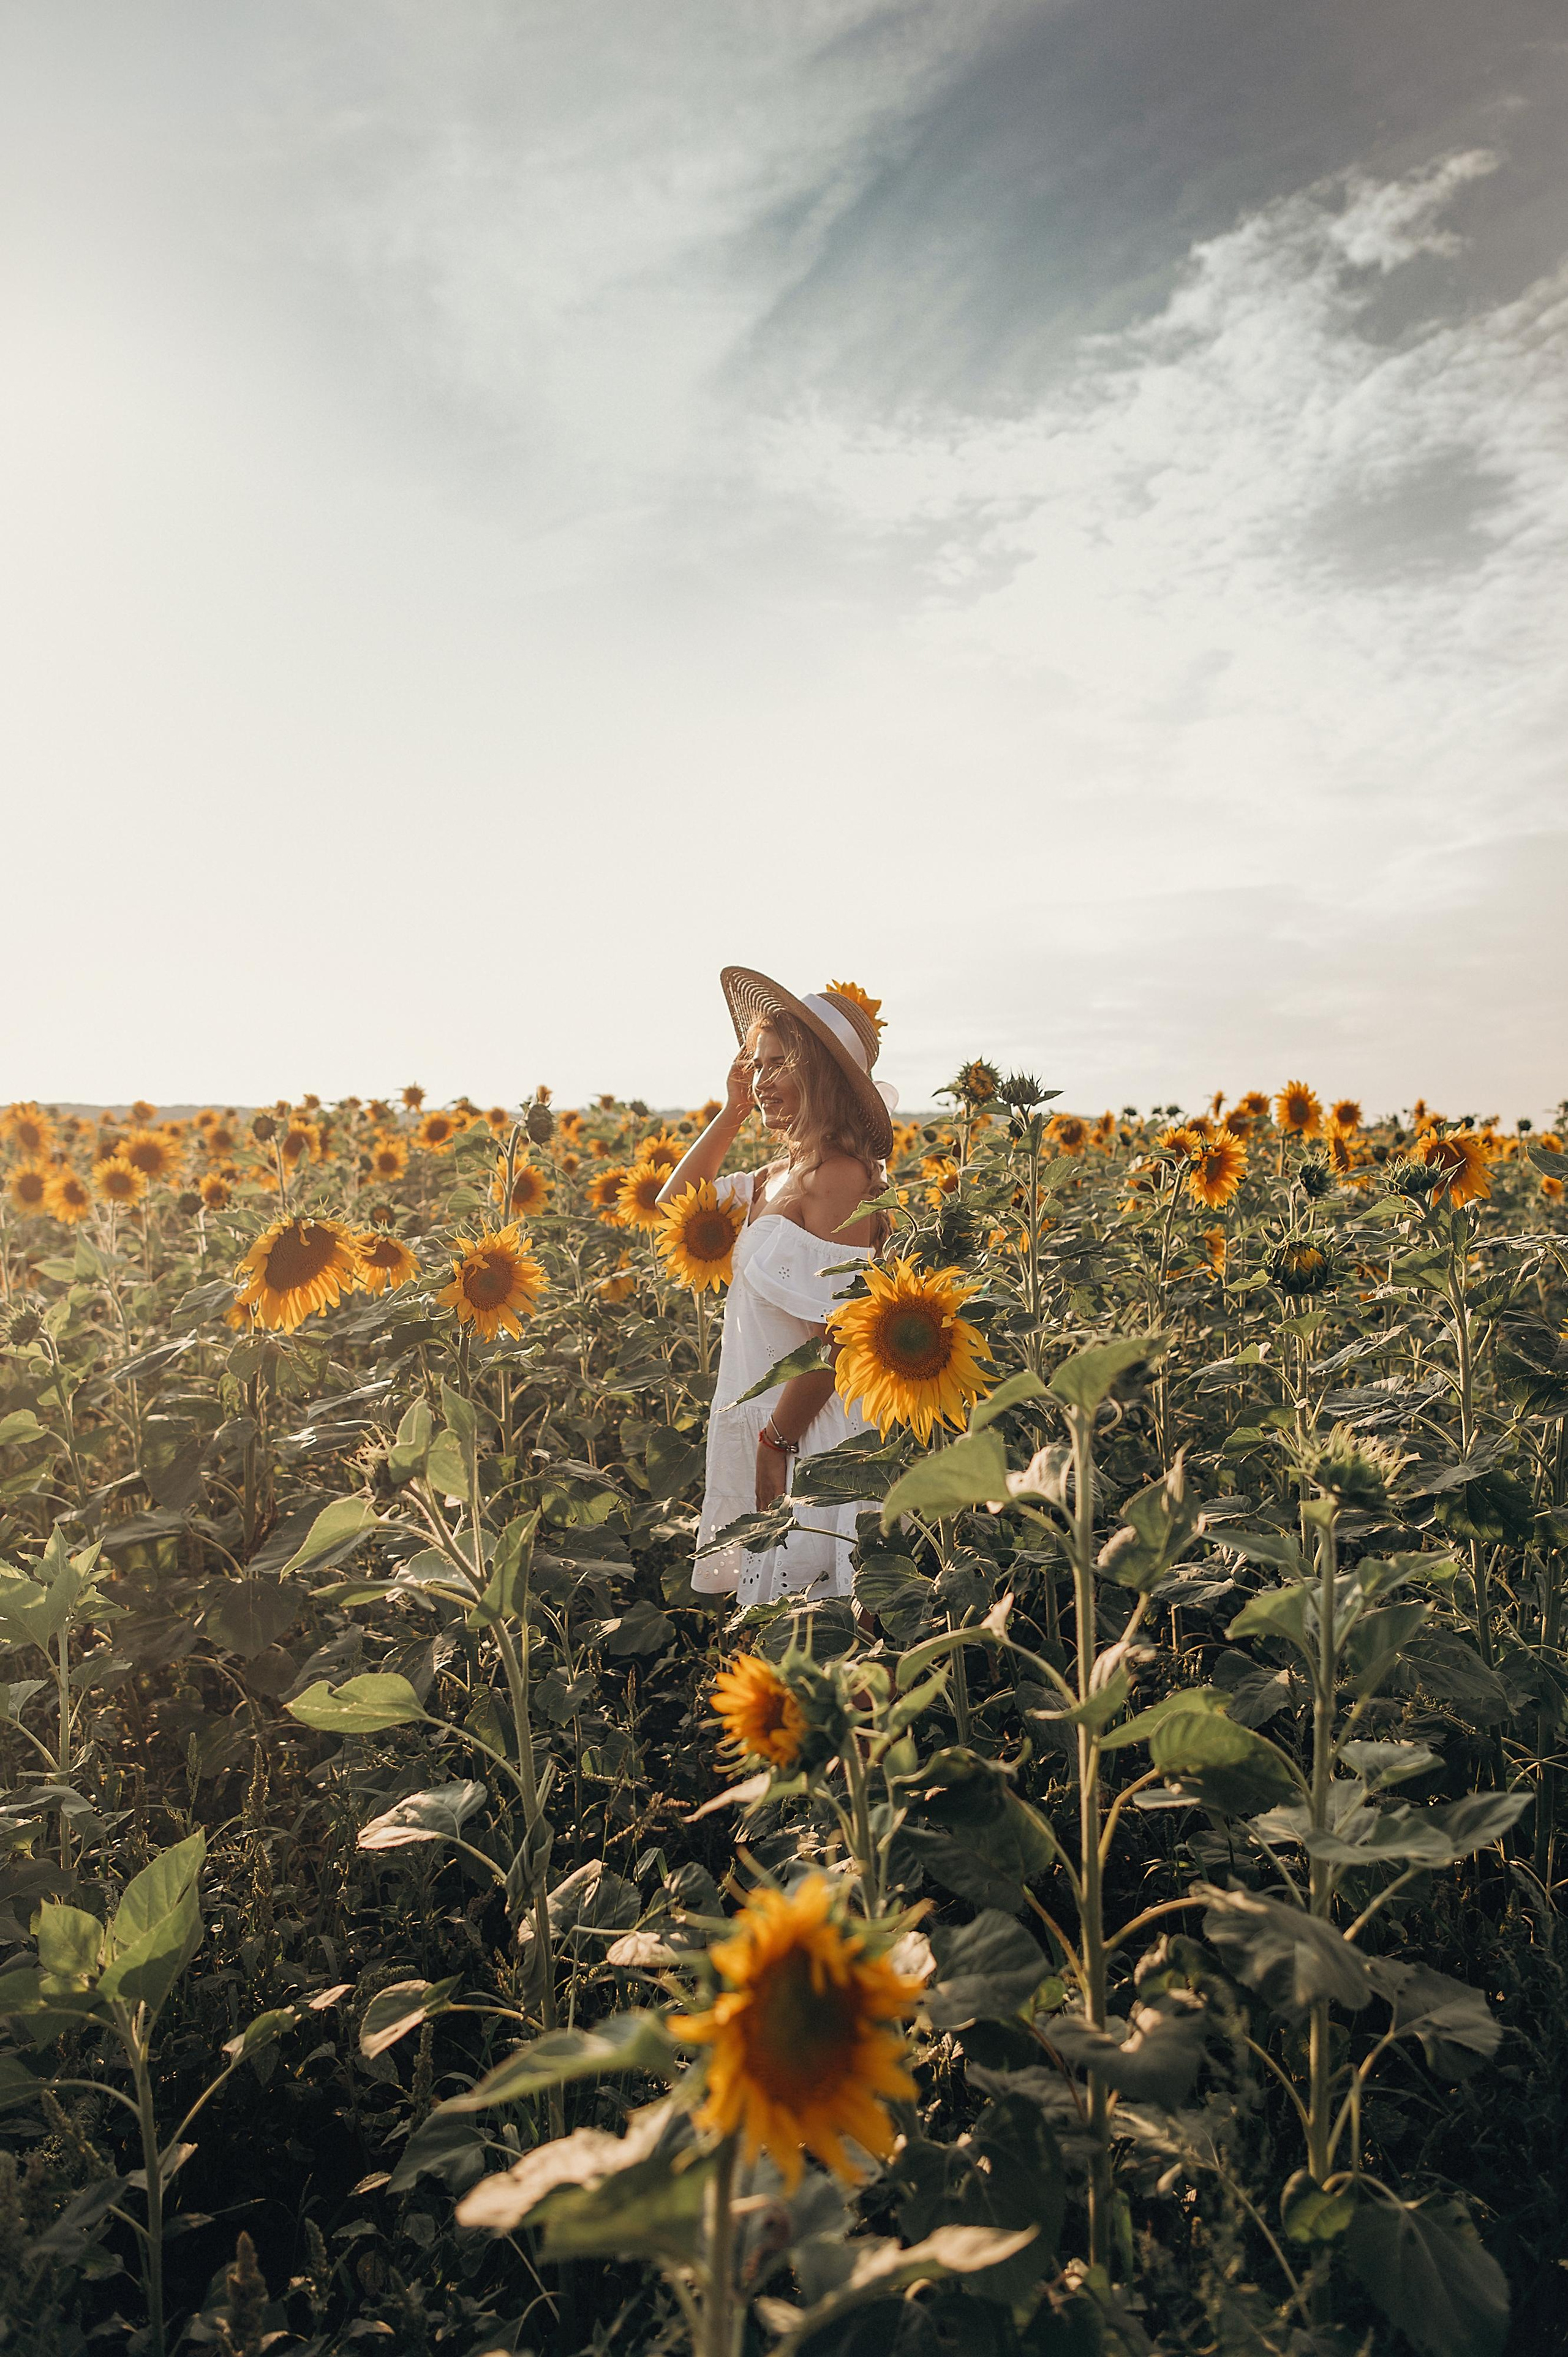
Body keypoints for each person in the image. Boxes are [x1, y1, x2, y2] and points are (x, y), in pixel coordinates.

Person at [657, 968, 899, 1610]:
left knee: (820, 1628)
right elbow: (674, 1203)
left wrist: (776, 1443)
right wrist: (732, 1112)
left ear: (822, 1075)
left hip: (811, 1434)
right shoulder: (777, 1174)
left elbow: (837, 1335)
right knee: (777, 1626)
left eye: (778, 1064)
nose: (760, 1079)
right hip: (770, 1419)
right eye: (755, 1064)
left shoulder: (839, 1178)